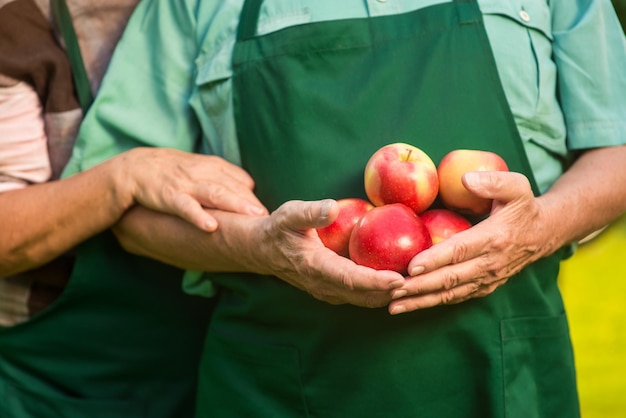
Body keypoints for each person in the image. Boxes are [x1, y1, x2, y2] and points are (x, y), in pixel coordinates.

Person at [63, 0, 626, 417]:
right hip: (276, 391)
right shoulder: (191, 8)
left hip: (507, 384)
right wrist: (259, 247)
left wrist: (541, 227)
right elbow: (126, 209)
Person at [0, 1, 269, 416]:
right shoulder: (16, 25)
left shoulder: (216, 13)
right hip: (52, 382)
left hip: (204, 365)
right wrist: (123, 177)